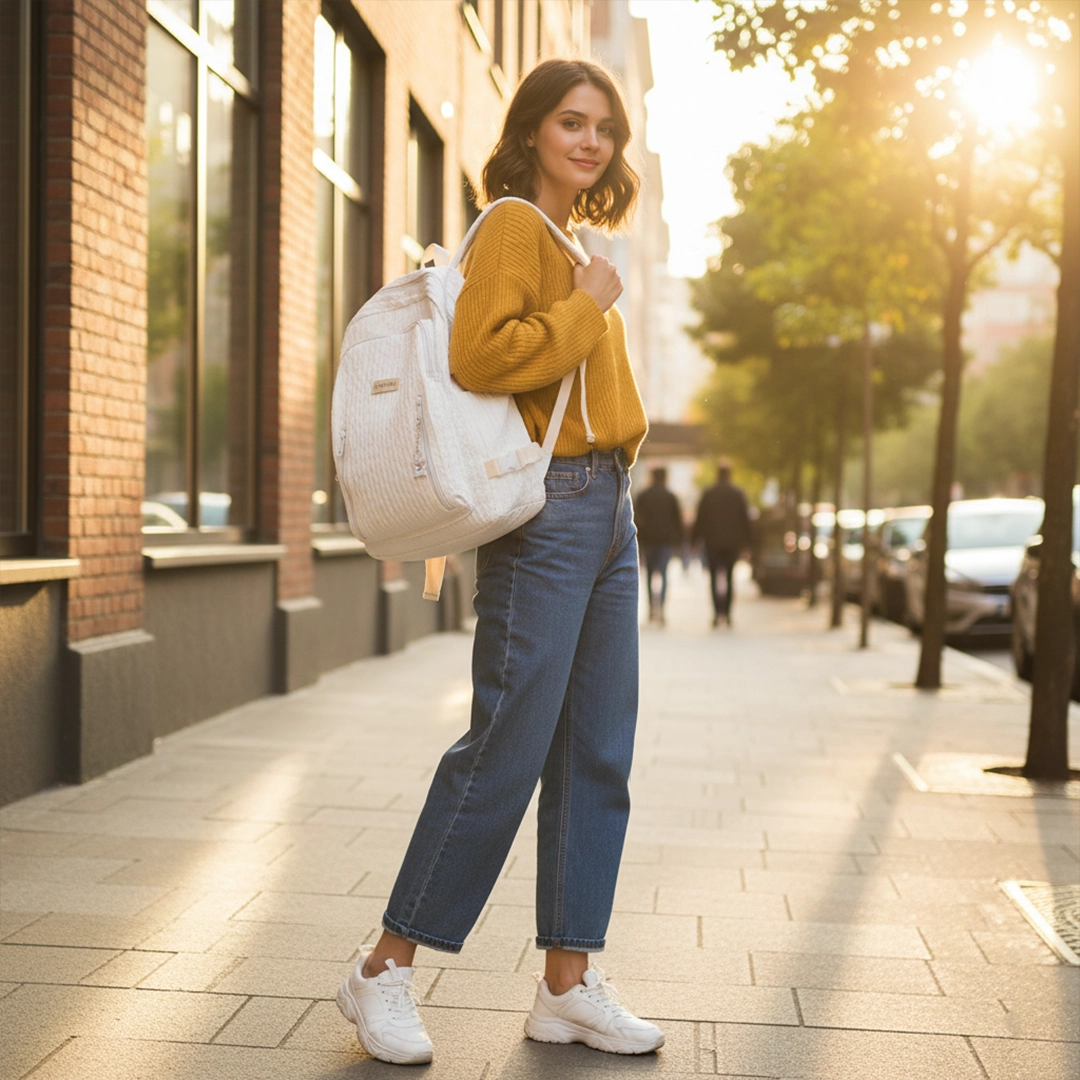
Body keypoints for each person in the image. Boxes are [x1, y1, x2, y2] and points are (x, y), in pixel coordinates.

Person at [335, 59, 665, 1065]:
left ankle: (568, 985)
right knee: (505, 748)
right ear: (530, 132)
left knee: (597, 751)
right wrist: (590, 306)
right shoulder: (518, 223)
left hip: (608, 510)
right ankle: (384, 968)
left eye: (604, 128)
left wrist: (591, 304)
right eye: (573, 122)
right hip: (553, 513)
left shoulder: (567, 238)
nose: (592, 141)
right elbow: (482, 357)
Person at [692, 460, 752, 627]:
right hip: (732, 543)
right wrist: (748, 543)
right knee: (731, 577)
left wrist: (695, 541)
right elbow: (745, 520)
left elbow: (700, 519)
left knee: (713, 578)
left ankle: (717, 613)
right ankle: (728, 614)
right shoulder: (737, 494)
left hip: (712, 542)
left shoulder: (708, 493)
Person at [634, 466, 684, 624]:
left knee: (648, 576)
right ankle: (661, 609)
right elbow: (677, 521)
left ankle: (650, 610)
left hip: (648, 541)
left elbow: (635, 519)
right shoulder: (671, 496)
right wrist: (679, 541)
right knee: (663, 575)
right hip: (665, 541)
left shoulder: (644, 495)